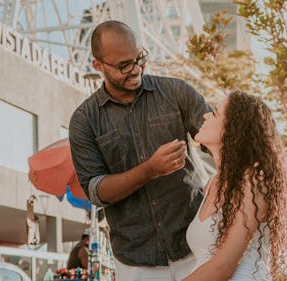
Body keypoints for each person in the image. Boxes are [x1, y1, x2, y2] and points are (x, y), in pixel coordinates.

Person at [69, 20, 211, 280]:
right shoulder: (84, 121)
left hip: (195, 247)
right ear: (98, 66)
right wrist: (150, 170)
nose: (136, 69)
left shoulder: (177, 92)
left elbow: (220, 140)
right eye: (124, 65)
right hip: (136, 263)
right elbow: (96, 191)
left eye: (139, 58)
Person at [184, 91, 287, 281]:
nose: (205, 115)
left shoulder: (253, 182)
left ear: (233, 130)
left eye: (215, 113)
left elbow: (223, 266)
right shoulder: (211, 184)